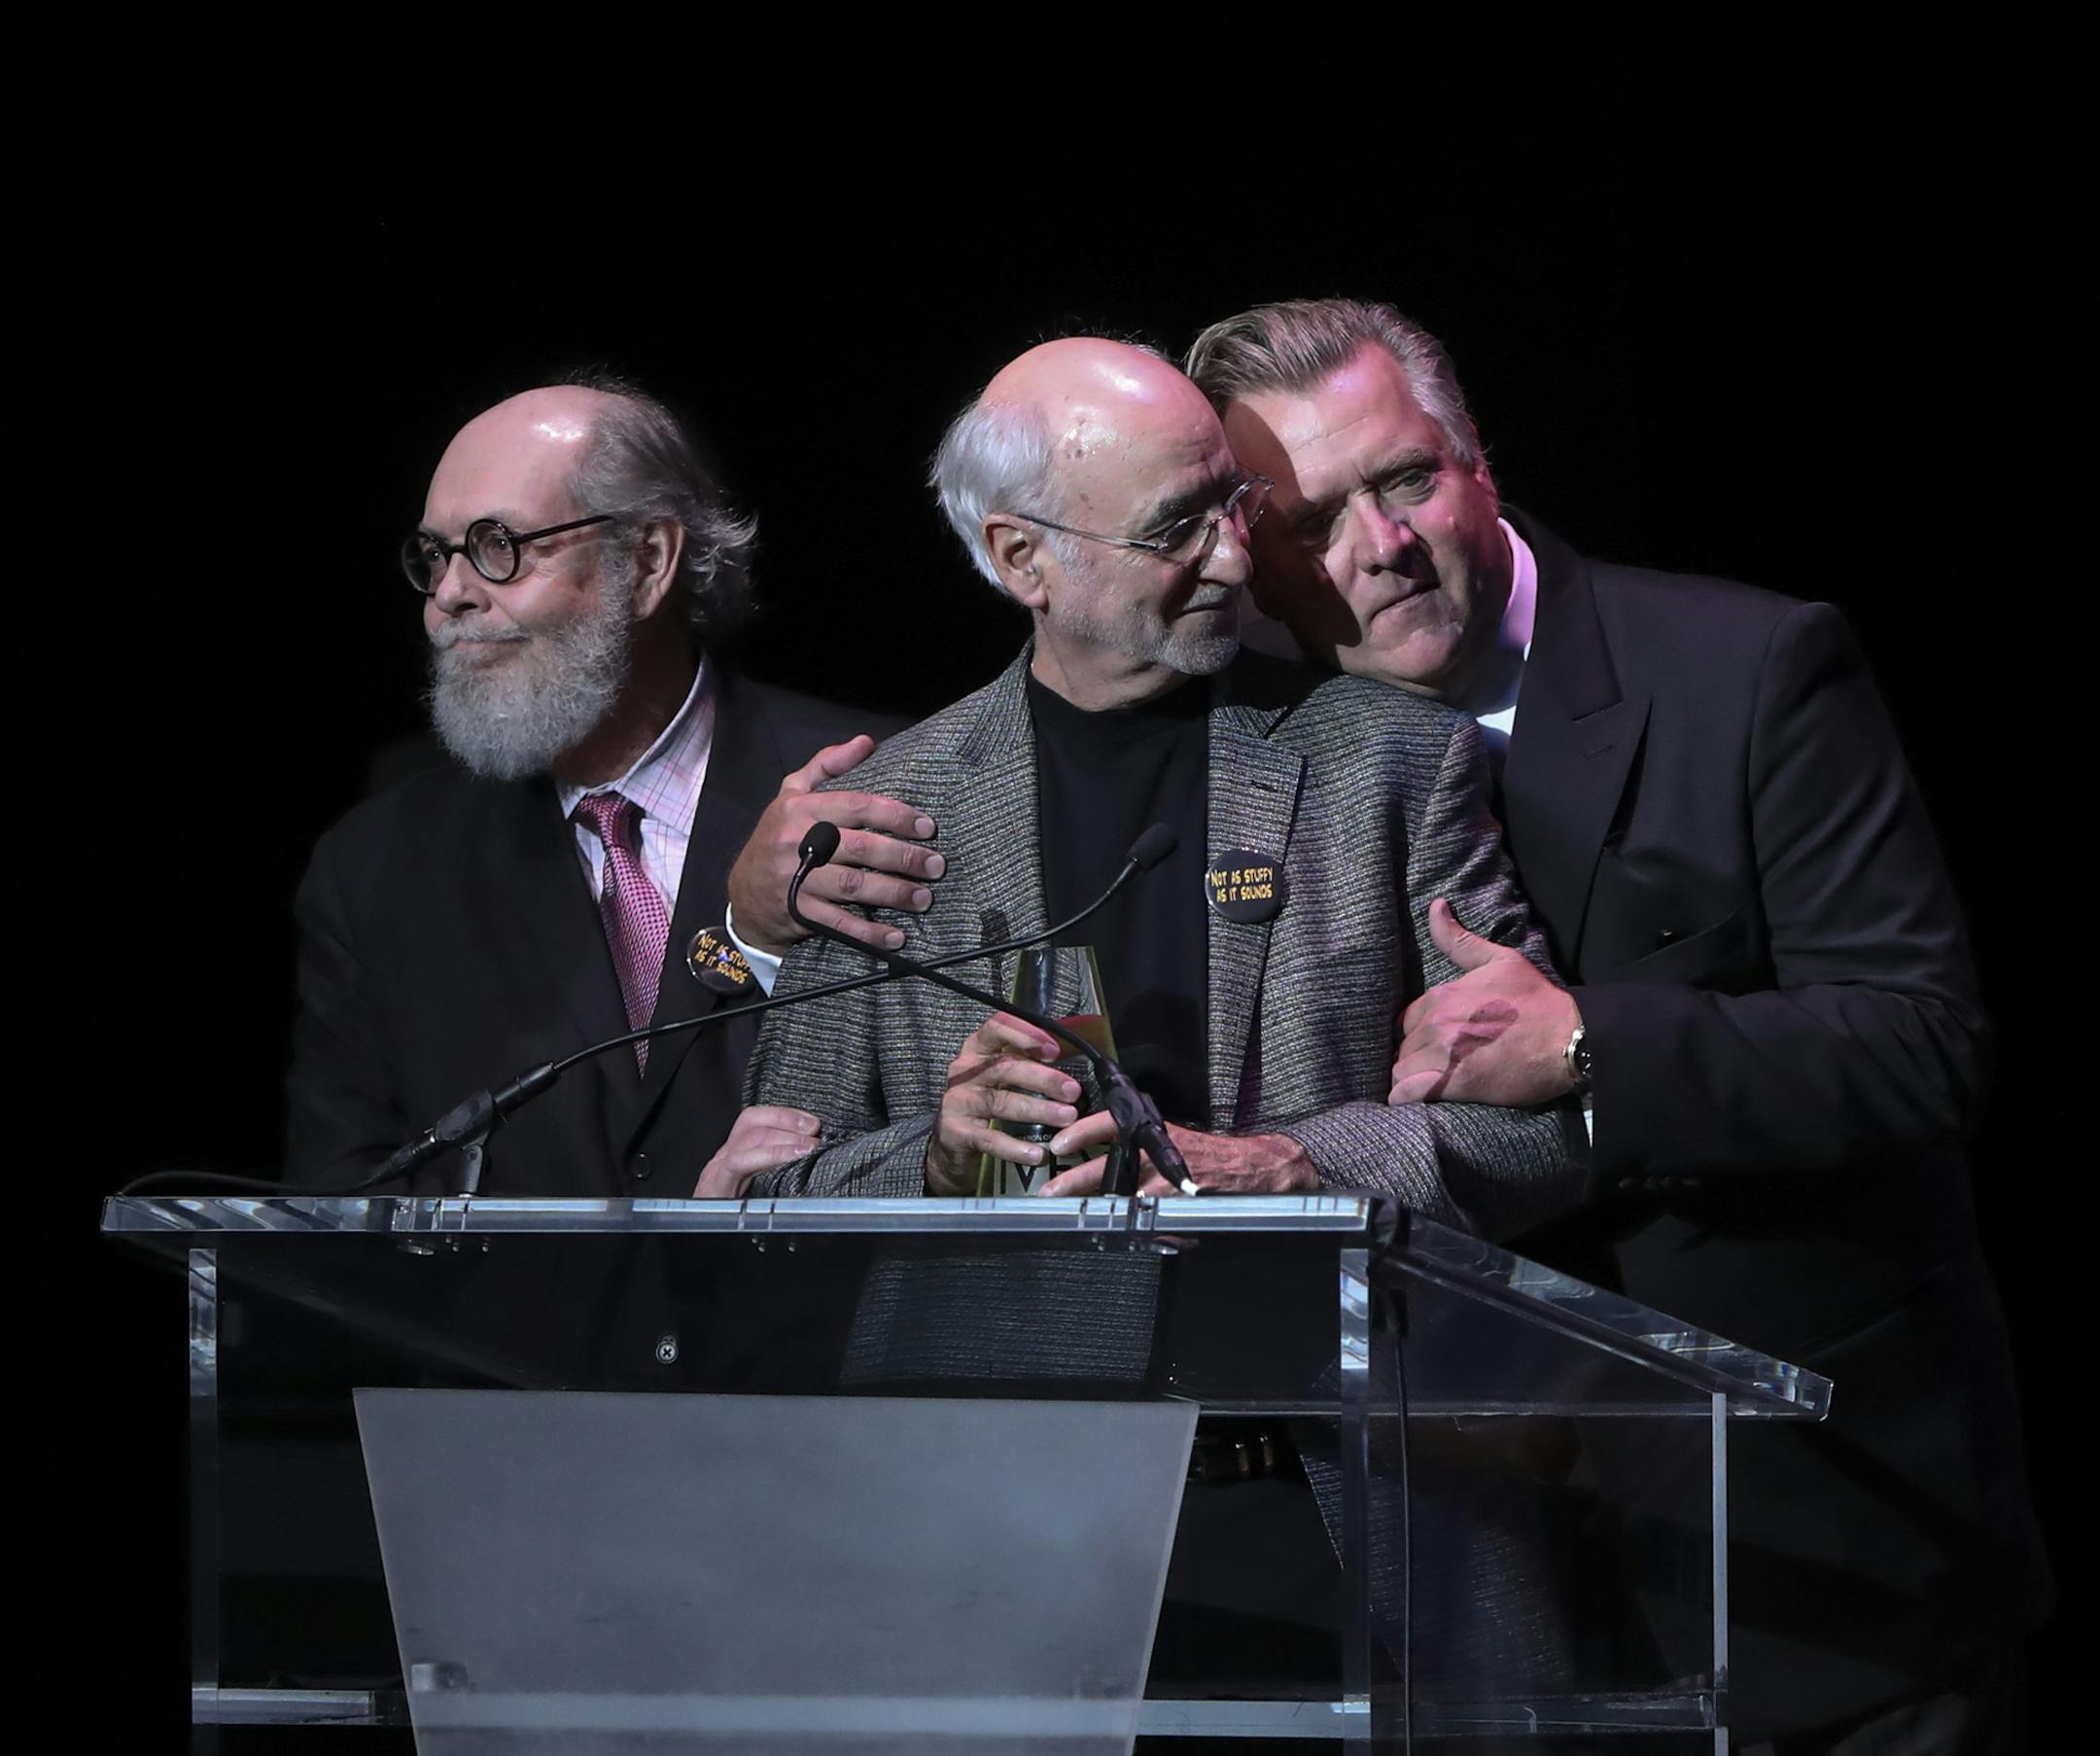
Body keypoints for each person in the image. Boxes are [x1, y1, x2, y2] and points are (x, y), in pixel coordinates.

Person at [1189, 298, 2046, 1750]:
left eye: (1405, 479)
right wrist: (755, 940)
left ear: (1478, 462)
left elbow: (1921, 1039)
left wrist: (1592, 1043)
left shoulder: (1750, 668)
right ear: (1252, 561)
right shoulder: (1237, 758)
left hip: (1816, 1566)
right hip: (1466, 1590)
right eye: (1312, 518)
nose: (1379, 547)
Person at [740, 336, 1576, 1232]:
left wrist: (1297, 1171)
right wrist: (939, 1166)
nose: (1235, 560)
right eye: (1177, 529)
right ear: (1023, 558)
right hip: (993, 1361)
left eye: (1234, 504)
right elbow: (767, 1189)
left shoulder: (1391, 762)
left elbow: (1544, 1138)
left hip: (1295, 1351)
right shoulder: (885, 819)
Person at [286, 375, 930, 1197]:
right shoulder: (376, 868)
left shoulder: (873, 783)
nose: (449, 595)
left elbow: (959, 1137)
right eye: (435, 555)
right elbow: (338, 1225)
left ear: (649, 561)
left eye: (498, 546)